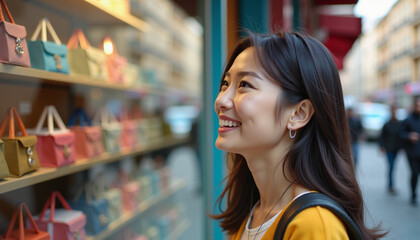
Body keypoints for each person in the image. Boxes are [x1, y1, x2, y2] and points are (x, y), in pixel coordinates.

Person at [211, 31, 385, 239]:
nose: (221, 100)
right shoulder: (254, 210)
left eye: (244, 85)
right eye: (225, 84)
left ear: (298, 113)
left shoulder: (314, 226)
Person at [400, 97, 420, 205]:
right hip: (412, 153)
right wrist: (409, 136)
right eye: (418, 105)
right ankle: (413, 195)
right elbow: (401, 134)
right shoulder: (408, 120)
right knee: (415, 173)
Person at [379, 105, 402, 194]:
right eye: (393, 110)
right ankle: (390, 185)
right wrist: (382, 147)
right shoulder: (387, 124)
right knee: (391, 166)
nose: (394, 112)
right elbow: (382, 136)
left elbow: (401, 136)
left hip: (396, 148)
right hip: (388, 148)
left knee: (393, 166)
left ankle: (390, 185)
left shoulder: (400, 124)